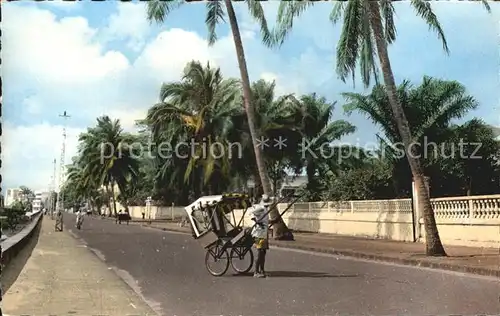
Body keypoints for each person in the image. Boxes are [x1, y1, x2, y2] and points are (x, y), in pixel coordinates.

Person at [250, 194, 273, 278]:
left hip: (264, 234)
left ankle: (262, 270)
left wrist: (272, 221)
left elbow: (265, 221)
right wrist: (257, 221)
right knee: (260, 253)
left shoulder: (266, 210)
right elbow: (252, 214)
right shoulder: (260, 208)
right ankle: (256, 272)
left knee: (263, 253)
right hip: (259, 234)